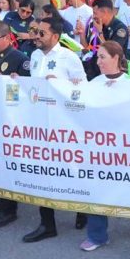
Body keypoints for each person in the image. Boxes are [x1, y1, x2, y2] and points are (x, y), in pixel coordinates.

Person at [80, 41, 130, 250]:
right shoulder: (94, 83)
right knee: (96, 188)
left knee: (128, 187)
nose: (98, 62)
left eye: (102, 57)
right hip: (98, 148)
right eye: (97, 57)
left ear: (116, 58)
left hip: (124, 149)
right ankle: (97, 236)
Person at [23, 15, 88, 242]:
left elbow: (83, 89)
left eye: (41, 33)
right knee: (43, 172)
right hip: (40, 124)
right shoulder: (34, 55)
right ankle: (47, 224)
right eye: (35, 32)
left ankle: (82, 208)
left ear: (55, 36)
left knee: (70, 168)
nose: (36, 36)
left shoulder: (69, 58)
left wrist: (61, 85)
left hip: (64, 125)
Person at [0, 21, 32, 228]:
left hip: (10, 120)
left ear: (7, 38)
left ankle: (8, 209)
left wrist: (3, 80)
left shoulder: (20, 60)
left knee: (7, 163)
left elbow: (26, 93)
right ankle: (1, 195)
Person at [82, 0, 130, 80]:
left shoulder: (120, 29)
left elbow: (111, 52)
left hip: (112, 74)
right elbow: (87, 48)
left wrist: (100, 32)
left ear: (105, 12)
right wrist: (82, 33)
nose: (93, 16)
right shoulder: (95, 25)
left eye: (95, 13)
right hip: (94, 69)